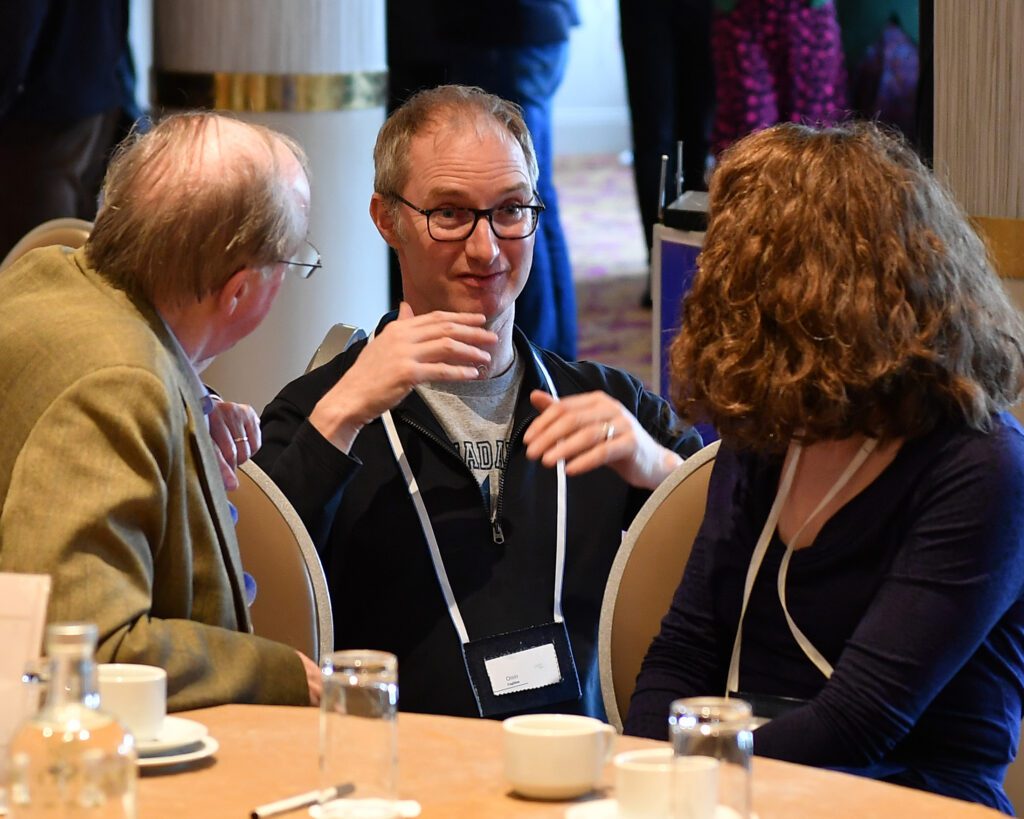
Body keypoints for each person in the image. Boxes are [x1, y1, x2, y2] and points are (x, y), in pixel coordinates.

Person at [256, 85, 702, 720]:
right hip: (401, 774)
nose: (486, 248)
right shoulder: (320, 412)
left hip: (573, 771)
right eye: (450, 213)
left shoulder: (605, 405)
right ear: (387, 219)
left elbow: (744, 546)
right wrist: (339, 417)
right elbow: (245, 582)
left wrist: (655, 468)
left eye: (511, 210)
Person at [624, 122, 1024, 812]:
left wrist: (691, 776)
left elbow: (860, 722)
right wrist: (647, 770)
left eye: (736, 266)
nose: (712, 288)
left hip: (913, 797)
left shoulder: (982, 466)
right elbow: (683, 651)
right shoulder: (774, 423)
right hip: (741, 789)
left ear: (818, 291)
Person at [0, 112, 323, 711]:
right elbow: (90, 654)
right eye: (290, 262)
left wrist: (193, 407)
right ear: (240, 290)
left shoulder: (44, 276)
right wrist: (278, 674)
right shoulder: (121, 384)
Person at [435, 0, 580, 359]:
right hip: (534, 26)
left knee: (517, 202)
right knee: (534, 197)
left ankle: (538, 361)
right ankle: (557, 358)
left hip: (504, 30)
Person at [0, 0, 139, 258]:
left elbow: (15, 24)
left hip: (40, 114)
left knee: (35, 263)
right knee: (74, 254)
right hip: (97, 97)